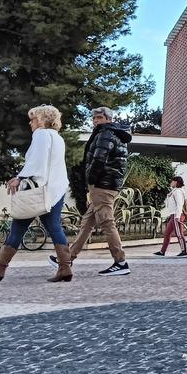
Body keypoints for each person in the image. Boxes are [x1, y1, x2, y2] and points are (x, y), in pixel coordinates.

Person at [0, 105, 72, 283]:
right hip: (55, 191)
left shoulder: (42, 134)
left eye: (33, 119)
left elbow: (37, 161)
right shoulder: (57, 138)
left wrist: (20, 178)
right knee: (54, 227)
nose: (30, 122)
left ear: (42, 120)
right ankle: (65, 268)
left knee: (18, 227)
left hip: (37, 191)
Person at [60, 106, 133, 276]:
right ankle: (68, 257)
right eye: (94, 118)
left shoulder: (106, 134)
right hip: (106, 184)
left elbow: (99, 160)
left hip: (102, 185)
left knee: (107, 222)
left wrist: (90, 181)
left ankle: (121, 262)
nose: (95, 121)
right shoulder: (114, 134)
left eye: (99, 118)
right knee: (87, 223)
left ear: (108, 119)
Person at [154, 176, 187, 257]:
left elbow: (179, 204)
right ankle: (162, 251)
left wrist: (178, 216)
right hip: (173, 215)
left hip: (176, 215)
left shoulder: (178, 192)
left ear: (176, 182)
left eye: (172, 181)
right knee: (167, 233)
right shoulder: (174, 191)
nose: (170, 182)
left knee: (179, 234)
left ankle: (184, 251)